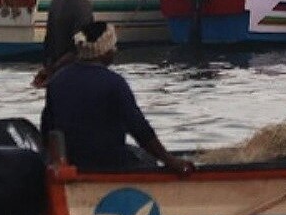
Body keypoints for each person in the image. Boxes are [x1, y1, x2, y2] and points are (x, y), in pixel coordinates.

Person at [41, 21, 195, 173]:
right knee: (147, 159)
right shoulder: (114, 83)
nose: (115, 50)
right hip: (109, 162)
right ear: (105, 51)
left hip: (71, 161)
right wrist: (170, 160)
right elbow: (139, 129)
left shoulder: (57, 81)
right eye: (113, 47)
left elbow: (47, 128)